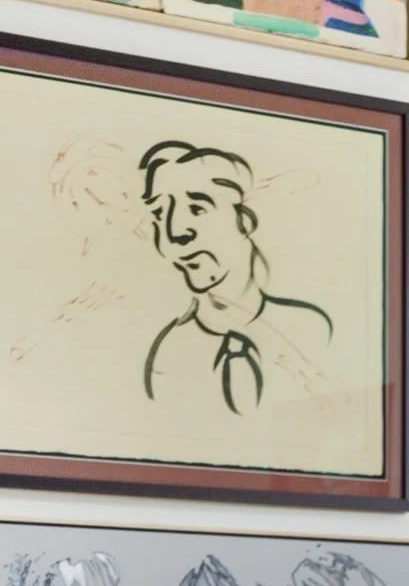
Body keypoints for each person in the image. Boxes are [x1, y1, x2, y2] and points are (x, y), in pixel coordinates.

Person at [139, 140, 334, 420]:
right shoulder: (171, 356)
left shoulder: (312, 329)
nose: (173, 232)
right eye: (159, 213)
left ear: (245, 220)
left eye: (197, 208)